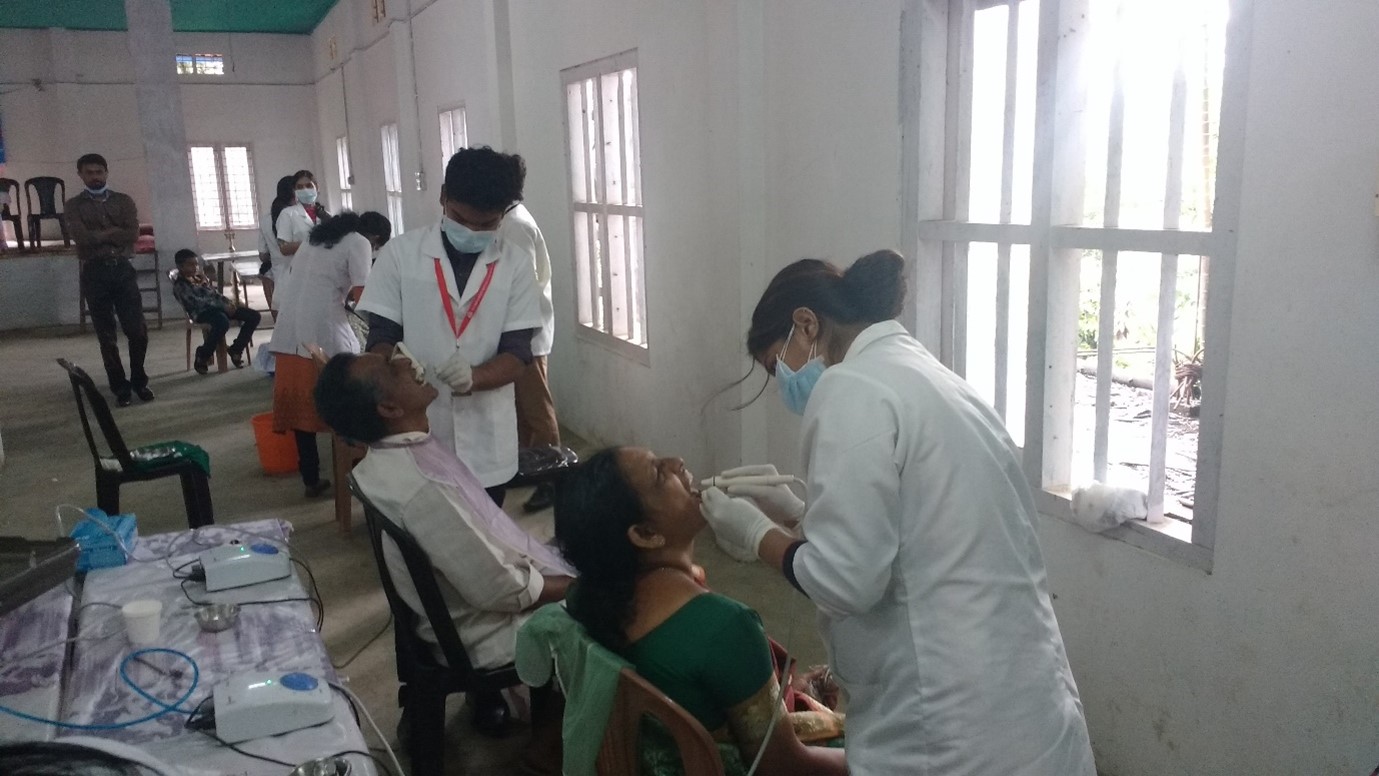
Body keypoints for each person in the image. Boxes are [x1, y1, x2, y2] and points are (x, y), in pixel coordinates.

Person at [698, 250, 1097, 776]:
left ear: (806, 323)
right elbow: (913, 527)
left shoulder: (850, 387)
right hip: (1030, 705)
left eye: (779, 364)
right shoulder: (934, 380)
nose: (785, 384)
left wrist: (755, 534)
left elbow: (846, 582)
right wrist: (800, 515)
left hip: (953, 726)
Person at [314, 349, 574, 734]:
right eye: (390, 367)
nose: (405, 360)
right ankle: (555, 741)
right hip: (481, 633)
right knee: (627, 597)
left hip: (462, 610)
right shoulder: (422, 489)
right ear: (388, 408)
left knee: (576, 556)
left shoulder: (384, 460)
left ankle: (548, 713)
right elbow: (504, 589)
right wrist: (579, 585)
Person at [553, 447, 846, 776]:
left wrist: (798, 516)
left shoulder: (587, 597)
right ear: (646, 534)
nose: (677, 462)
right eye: (660, 474)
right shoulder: (725, 629)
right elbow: (784, 765)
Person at [358, 147, 544, 507]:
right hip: (415, 431)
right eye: (461, 218)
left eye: (486, 224)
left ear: (503, 214)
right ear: (443, 196)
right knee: (424, 535)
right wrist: (394, 371)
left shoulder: (516, 265)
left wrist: (476, 376)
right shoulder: (400, 255)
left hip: (488, 441)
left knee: (486, 540)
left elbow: (519, 353)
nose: (472, 231)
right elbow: (380, 338)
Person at [268, 211, 390, 498]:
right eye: (376, 246)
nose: (372, 250)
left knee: (301, 411)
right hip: (322, 329)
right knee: (349, 401)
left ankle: (310, 477)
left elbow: (322, 282)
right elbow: (364, 297)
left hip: (290, 329)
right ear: (373, 238)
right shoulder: (358, 242)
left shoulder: (316, 238)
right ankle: (359, 471)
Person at [64, 153, 151, 407]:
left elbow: (133, 233)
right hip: (95, 272)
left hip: (122, 270)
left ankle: (139, 381)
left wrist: (101, 235)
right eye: (89, 172)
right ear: (80, 175)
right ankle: (120, 387)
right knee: (106, 335)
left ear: (106, 173)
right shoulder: (73, 205)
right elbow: (82, 238)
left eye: (99, 172)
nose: (94, 176)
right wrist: (115, 233)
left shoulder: (123, 201)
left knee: (137, 331)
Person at [512, 205, 562, 513]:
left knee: (538, 413)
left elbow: (524, 287)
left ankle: (552, 481)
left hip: (526, 337)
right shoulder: (510, 220)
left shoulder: (514, 227)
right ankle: (532, 473)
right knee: (523, 414)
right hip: (519, 335)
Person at [171, 249, 260, 373]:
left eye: (196, 264)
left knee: (253, 316)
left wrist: (228, 303)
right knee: (222, 322)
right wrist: (223, 307)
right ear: (180, 266)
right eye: (191, 264)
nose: (195, 267)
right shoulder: (180, 286)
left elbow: (214, 294)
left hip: (218, 308)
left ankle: (236, 349)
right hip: (201, 313)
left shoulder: (197, 278)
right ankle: (203, 354)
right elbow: (199, 303)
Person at [258, 175, 296, 309]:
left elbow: (263, 255)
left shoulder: (265, 220)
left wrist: (274, 255)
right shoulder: (295, 216)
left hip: (279, 277)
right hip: (300, 277)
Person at [274, 169, 329, 259]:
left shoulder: (326, 215)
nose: (305, 190)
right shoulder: (287, 214)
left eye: (309, 186)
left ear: (317, 187)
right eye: (300, 187)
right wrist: (312, 243)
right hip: (301, 267)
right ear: (294, 191)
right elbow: (284, 248)